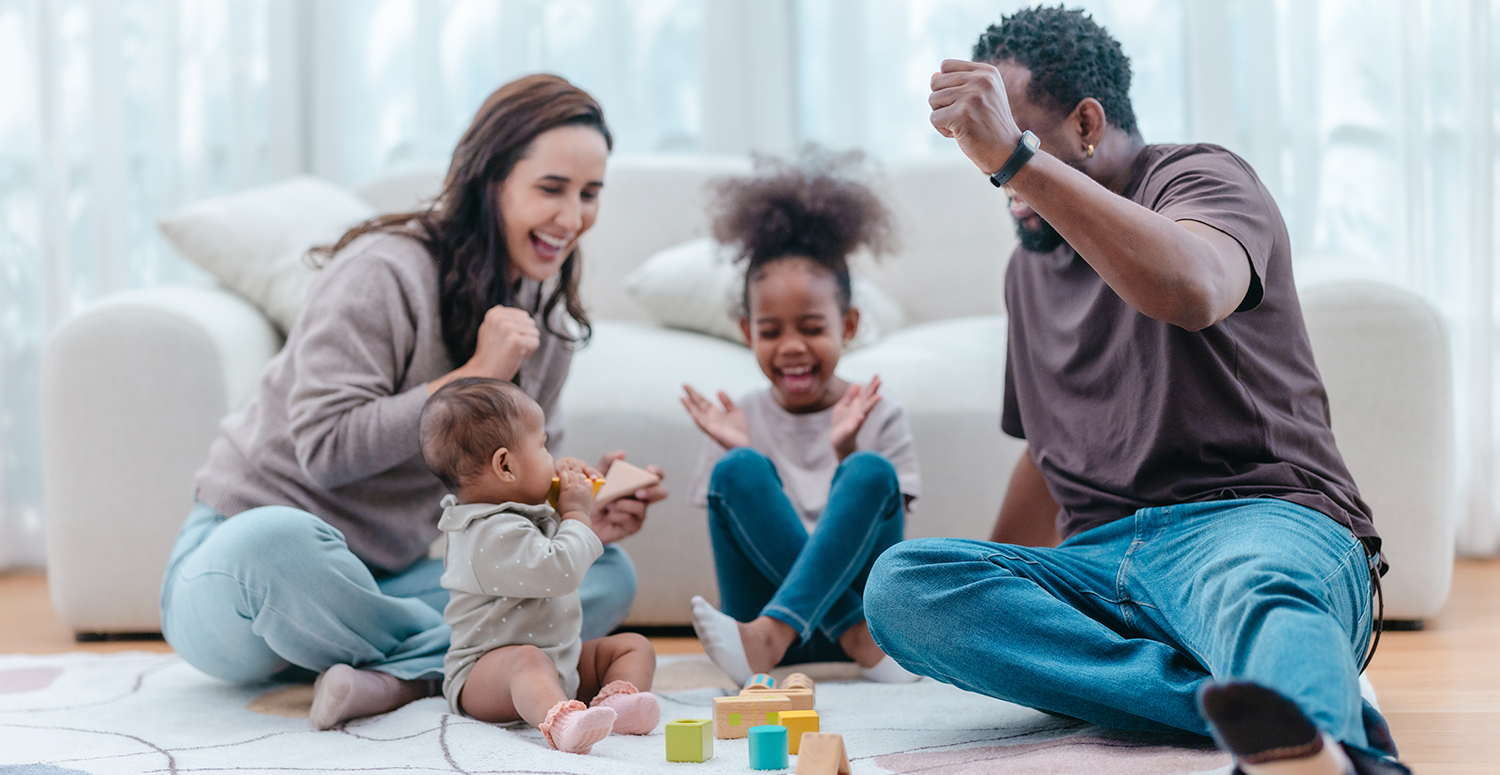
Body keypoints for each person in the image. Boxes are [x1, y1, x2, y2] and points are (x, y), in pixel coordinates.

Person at [862, 7, 1409, 775]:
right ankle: (1257, 712)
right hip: (1104, 569)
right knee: (902, 586)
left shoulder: (1199, 178)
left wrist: (1016, 161)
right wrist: (982, 597)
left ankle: (1332, 754)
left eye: (1014, 137)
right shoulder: (1028, 268)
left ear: (1087, 124)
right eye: (985, 154)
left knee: (1259, 590)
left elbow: (1190, 288)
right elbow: (1049, 456)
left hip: (1252, 523)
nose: (995, 177)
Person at [157, 74, 668, 731]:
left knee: (606, 572)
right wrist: (474, 374)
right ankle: (431, 669)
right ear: (491, 181)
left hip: (382, 589)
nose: (572, 219)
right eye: (551, 189)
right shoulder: (383, 273)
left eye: (590, 193)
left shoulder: (549, 322)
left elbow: (505, 494)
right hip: (254, 576)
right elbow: (323, 450)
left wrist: (576, 511)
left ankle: (384, 671)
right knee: (272, 540)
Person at [680, 156, 921, 686]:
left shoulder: (879, 411)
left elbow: (885, 538)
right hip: (765, 630)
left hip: (832, 615)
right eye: (771, 332)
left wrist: (846, 454)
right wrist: (748, 454)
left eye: (811, 327)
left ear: (849, 324)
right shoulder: (737, 418)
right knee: (738, 467)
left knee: (870, 471)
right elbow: (747, 530)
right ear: (748, 332)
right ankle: (851, 639)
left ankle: (828, 632)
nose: (791, 347)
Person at [419, 377, 659, 754]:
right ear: (506, 466)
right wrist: (576, 511)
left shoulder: (519, 512)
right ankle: (562, 724)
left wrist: (574, 493)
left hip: (558, 664)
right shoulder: (485, 532)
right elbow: (559, 569)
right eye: (543, 445)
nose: (551, 456)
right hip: (485, 678)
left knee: (632, 646)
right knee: (527, 660)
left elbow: (546, 524)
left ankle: (616, 706)